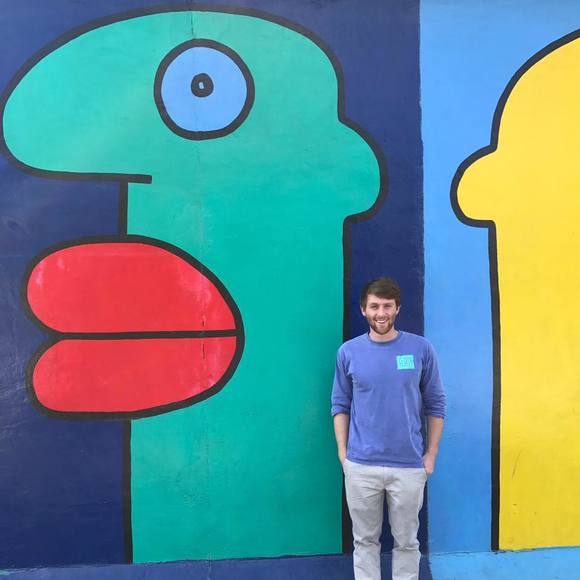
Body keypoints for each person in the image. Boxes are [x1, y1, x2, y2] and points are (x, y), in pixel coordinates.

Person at [331, 277, 445, 580]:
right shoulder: (348, 352)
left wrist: (431, 454)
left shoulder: (420, 349)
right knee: (364, 542)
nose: (380, 313)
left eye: (387, 306)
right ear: (363, 310)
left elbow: (435, 403)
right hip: (361, 465)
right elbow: (340, 404)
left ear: (397, 308)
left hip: (408, 465)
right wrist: (344, 454)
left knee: (407, 542)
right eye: (374, 307)